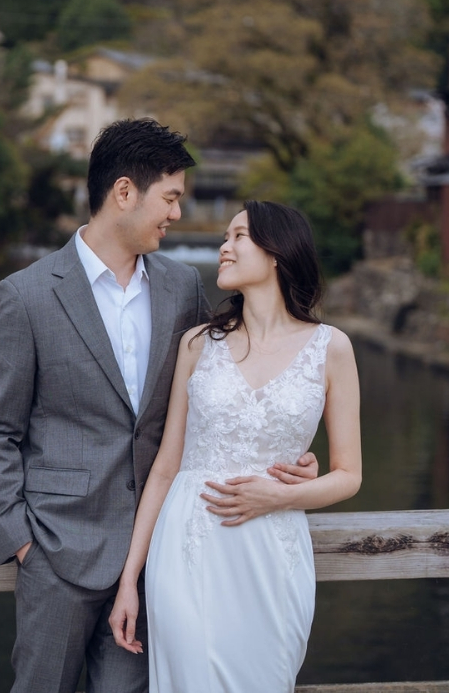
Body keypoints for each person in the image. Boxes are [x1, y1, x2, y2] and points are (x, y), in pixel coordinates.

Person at [0, 121, 318, 693]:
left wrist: (285, 458)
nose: (178, 214)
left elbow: (220, 393)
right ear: (124, 192)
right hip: (57, 554)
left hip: (162, 558)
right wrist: (22, 542)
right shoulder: (28, 294)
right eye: (171, 197)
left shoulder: (182, 287)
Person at [107, 200, 363, 692]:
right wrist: (128, 582)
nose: (224, 246)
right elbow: (165, 467)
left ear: (276, 253)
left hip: (272, 552)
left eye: (238, 236)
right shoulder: (197, 344)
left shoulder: (331, 348)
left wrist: (281, 496)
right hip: (188, 546)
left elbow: (348, 475)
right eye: (225, 237)